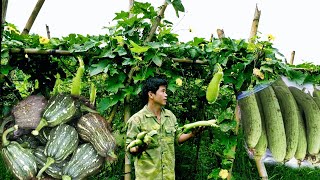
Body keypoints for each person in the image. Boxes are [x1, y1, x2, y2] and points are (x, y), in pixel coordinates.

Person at [126, 76, 204, 180]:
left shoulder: (170, 116)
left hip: (169, 176)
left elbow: (177, 138)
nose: (166, 95)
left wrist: (192, 134)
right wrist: (138, 148)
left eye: (166, 91)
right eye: (163, 91)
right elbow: (129, 147)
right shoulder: (136, 120)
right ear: (151, 95)